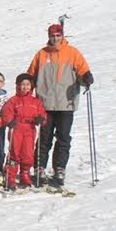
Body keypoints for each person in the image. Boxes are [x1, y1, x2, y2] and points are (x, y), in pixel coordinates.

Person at [26, 23, 93, 186]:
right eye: (52, 36)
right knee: (45, 138)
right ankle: (39, 168)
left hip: (66, 103)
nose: (55, 38)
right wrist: (26, 93)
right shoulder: (42, 54)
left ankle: (59, 168)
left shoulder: (72, 53)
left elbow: (83, 71)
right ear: (48, 36)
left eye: (58, 35)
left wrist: (87, 77)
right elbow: (31, 75)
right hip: (45, 103)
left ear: (62, 36)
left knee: (63, 138)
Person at [0, 73, 47, 190]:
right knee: (14, 152)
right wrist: (9, 120)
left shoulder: (35, 101)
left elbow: (42, 113)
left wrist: (41, 119)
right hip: (16, 128)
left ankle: (25, 174)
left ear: (31, 86)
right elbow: (6, 112)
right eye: (22, 84)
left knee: (28, 154)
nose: (25, 87)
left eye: (27, 84)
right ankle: (10, 176)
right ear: (18, 86)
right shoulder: (13, 100)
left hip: (30, 129)